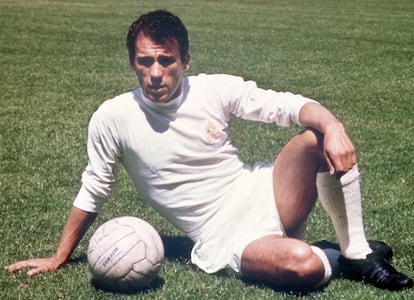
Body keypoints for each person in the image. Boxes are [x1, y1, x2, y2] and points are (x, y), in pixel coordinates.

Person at [5, 9, 412, 292]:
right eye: (145, 61)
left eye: (166, 60)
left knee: (316, 137)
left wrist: (334, 126)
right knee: (302, 267)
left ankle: (357, 252)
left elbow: (287, 105)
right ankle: (330, 254)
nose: (156, 72)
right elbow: (94, 187)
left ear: (185, 59)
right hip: (223, 235)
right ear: (132, 62)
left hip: (264, 191)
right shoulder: (112, 117)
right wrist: (59, 256)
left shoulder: (212, 88)